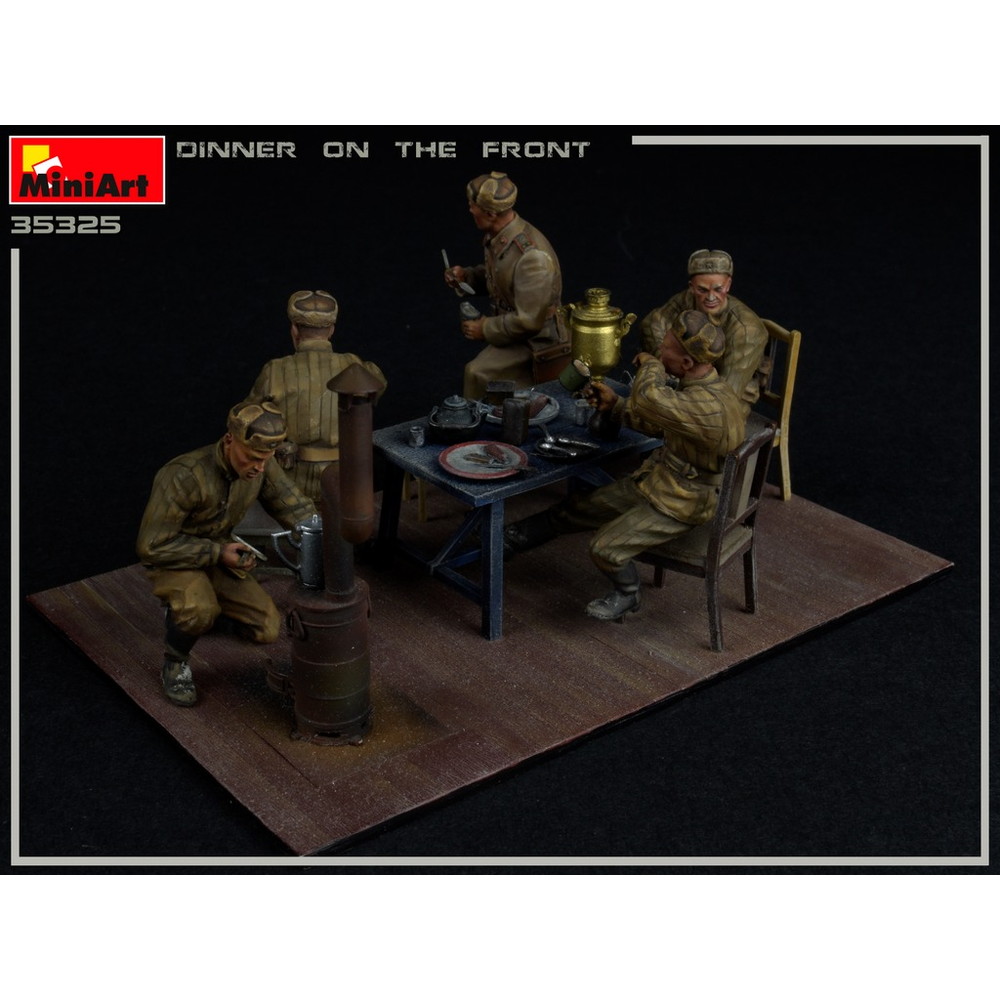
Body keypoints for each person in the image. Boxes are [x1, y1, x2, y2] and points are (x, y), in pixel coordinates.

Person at [505, 310, 746, 621]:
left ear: (687, 363)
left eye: (666, 348)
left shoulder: (710, 407)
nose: (660, 351)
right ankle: (515, 537)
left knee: (605, 549)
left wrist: (652, 366)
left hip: (685, 502)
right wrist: (616, 406)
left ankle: (628, 593)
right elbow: (663, 423)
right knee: (578, 508)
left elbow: (647, 398)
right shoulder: (697, 393)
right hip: (658, 482)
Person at [136, 399, 317, 706]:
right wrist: (218, 553)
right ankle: (176, 660)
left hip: (221, 551)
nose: (260, 467)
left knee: (266, 628)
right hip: (174, 557)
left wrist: (317, 533)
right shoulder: (183, 475)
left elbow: (292, 505)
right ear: (230, 440)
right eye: (253, 458)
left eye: (267, 458)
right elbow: (152, 546)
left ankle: (199, 616)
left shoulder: (262, 466)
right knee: (198, 610)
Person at [247, 289, 387, 503]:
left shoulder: (275, 370)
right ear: (331, 330)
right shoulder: (354, 365)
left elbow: (249, 420)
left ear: (294, 330)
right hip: (346, 475)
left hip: (289, 480)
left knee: (293, 517)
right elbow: (378, 386)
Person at [443, 171, 570, 399]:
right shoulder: (501, 238)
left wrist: (485, 328)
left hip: (537, 341)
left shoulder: (531, 257)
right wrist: (466, 277)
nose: (470, 210)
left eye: (473, 206)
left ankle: (478, 419)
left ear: (491, 213)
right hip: (514, 331)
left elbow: (529, 321)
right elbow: (502, 278)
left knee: (476, 372)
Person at [639, 248, 768, 416]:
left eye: (718, 289)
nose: (711, 297)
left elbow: (728, 394)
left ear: (728, 285)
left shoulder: (746, 330)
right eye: (702, 290)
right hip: (686, 383)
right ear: (691, 287)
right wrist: (663, 362)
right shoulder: (687, 299)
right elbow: (653, 323)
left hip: (726, 404)